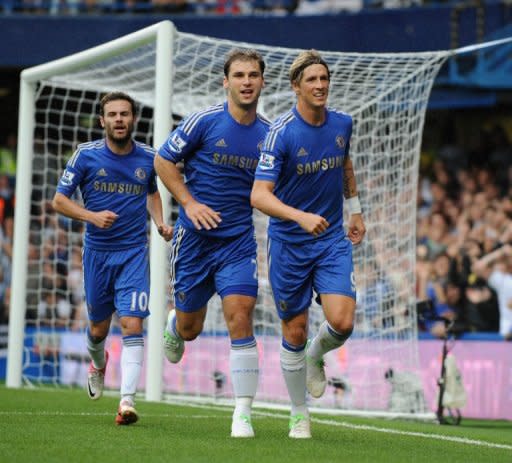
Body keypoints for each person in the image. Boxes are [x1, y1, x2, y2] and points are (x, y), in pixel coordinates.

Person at [250, 49, 366, 439]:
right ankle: (299, 412)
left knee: (343, 322)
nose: (320, 85)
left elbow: (345, 163)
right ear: (296, 86)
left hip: (332, 237)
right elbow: (259, 196)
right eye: (312, 80)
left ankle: (319, 354)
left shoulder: (343, 123)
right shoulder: (280, 133)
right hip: (289, 243)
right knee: (294, 330)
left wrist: (355, 209)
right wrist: (299, 216)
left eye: (324, 78)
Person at [154, 49, 270, 438]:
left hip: (237, 242)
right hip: (194, 241)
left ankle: (242, 414)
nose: (246, 81)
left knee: (241, 316)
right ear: (226, 82)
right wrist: (189, 202)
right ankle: (175, 321)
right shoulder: (204, 121)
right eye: (239, 75)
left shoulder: (270, 135)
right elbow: (163, 160)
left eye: (253, 74)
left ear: (262, 82)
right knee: (190, 329)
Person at [52, 91, 173, 425]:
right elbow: (59, 201)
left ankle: (127, 401)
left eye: (125, 114)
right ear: (102, 120)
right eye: (113, 115)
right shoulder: (85, 156)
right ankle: (99, 362)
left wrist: (159, 222)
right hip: (97, 254)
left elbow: (152, 192)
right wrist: (91, 217)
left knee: (133, 323)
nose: (120, 119)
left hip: (134, 253)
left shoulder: (149, 158)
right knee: (97, 329)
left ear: (133, 119)